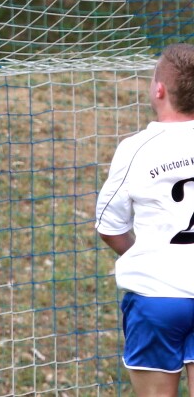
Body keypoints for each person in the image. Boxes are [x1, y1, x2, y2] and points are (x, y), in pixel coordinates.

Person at [96, 43, 194, 397]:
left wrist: (149, 256)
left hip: (157, 299)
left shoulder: (136, 149)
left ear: (159, 89)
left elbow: (109, 226)